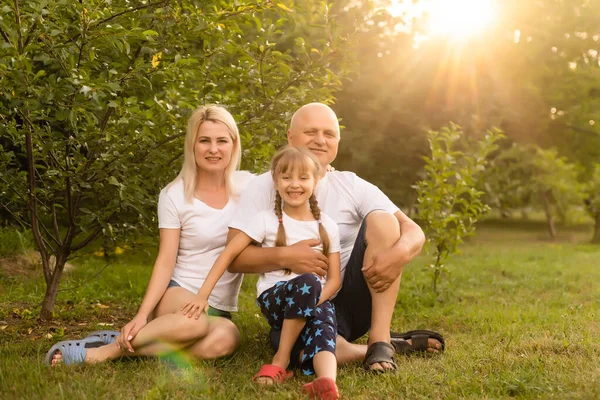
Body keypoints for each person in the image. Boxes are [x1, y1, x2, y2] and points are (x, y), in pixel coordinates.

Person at [228, 103, 445, 373]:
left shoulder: (350, 184)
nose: (320, 140)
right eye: (311, 132)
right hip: (299, 304)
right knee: (301, 352)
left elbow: (413, 230)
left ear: (338, 142)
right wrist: (285, 256)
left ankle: (379, 338)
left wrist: (398, 254)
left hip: (351, 300)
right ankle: (381, 348)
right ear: (290, 137)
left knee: (383, 219)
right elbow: (234, 258)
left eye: (329, 134)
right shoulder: (263, 186)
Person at [45, 105, 253, 366]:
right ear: (192, 145)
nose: (213, 149)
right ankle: (103, 353)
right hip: (179, 293)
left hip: (218, 305)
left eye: (222, 140)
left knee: (227, 338)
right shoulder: (174, 195)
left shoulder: (250, 187)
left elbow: (297, 178)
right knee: (196, 323)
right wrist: (142, 315)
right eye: (204, 141)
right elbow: (166, 260)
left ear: (234, 144)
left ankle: (128, 342)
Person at [182, 146, 341, 399]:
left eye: (303, 177)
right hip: (276, 300)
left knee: (324, 321)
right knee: (309, 282)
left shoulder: (328, 226)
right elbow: (228, 255)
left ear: (316, 179)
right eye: (286, 177)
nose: (294, 184)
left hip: (313, 299)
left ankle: (326, 383)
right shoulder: (265, 220)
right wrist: (203, 295)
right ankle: (281, 361)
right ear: (275, 181)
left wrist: (314, 304)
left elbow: (334, 280)